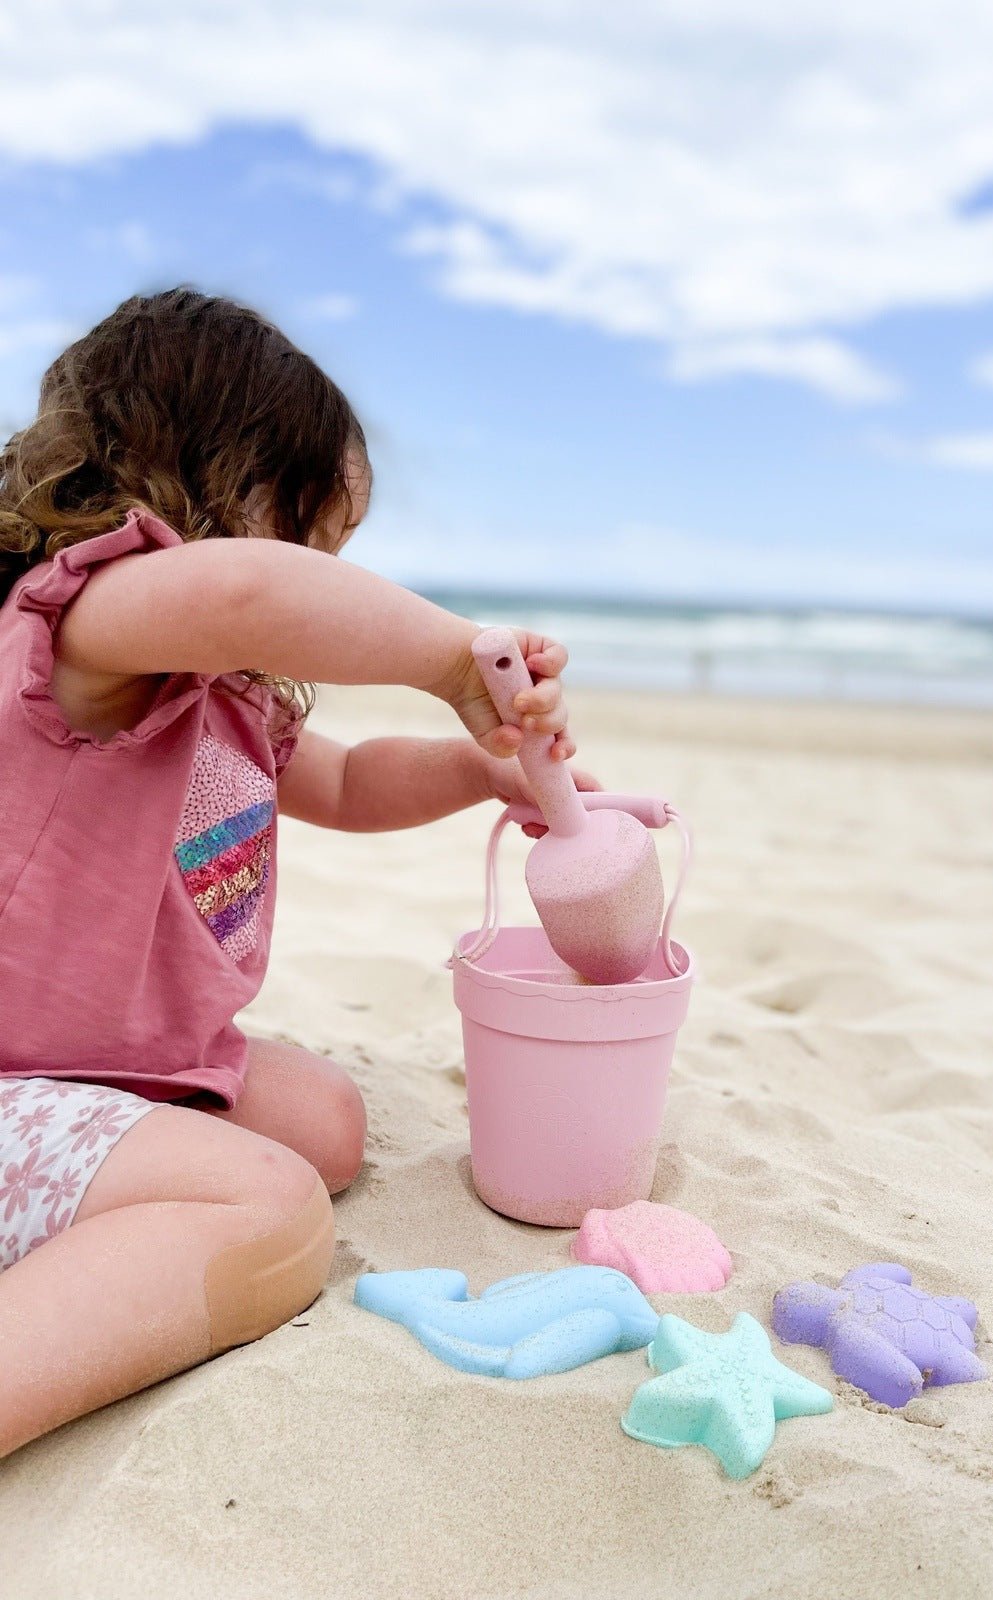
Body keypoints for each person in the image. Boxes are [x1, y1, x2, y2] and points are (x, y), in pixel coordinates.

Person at [0, 287, 594, 1458]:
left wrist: (481, 771)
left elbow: (351, 782)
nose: (331, 576)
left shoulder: (229, 699)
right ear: (209, 486)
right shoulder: (85, 632)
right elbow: (244, 595)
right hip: (13, 1081)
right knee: (268, 1211)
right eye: (316, 537)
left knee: (323, 1124)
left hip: (79, 1071)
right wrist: (448, 659)